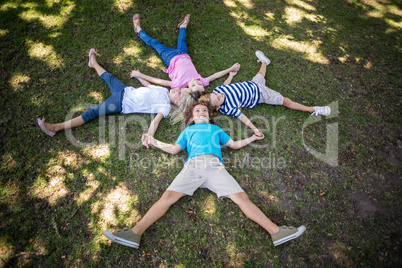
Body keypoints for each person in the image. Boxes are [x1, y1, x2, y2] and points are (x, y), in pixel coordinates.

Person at [103, 102, 306, 248]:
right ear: (191, 117)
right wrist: (153, 141)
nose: (200, 112)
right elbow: (174, 149)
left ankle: (276, 232)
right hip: (193, 166)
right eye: (197, 111)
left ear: (209, 116)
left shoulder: (216, 129)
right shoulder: (188, 131)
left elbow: (233, 145)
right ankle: (135, 233)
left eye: (204, 111)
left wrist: (252, 137)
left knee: (242, 198)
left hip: (216, 168)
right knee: (167, 198)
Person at [37, 49, 195, 138]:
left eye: (181, 93)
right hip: (124, 90)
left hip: (120, 103)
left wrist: (149, 135)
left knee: (92, 112)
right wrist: (138, 75)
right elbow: (148, 86)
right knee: (109, 77)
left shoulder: (165, 107)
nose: (179, 89)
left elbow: (156, 121)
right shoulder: (163, 91)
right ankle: (93, 63)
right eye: (182, 89)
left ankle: (56, 127)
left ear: (178, 102)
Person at [199, 51, 331, 136]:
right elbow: (242, 117)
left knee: (260, 74)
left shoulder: (218, 91)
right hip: (261, 95)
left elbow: (224, 86)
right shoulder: (228, 108)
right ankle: (313, 109)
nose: (220, 95)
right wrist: (254, 129)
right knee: (285, 101)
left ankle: (264, 61)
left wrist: (231, 76)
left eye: (216, 95)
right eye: (218, 99)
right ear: (217, 108)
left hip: (252, 84)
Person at [131, 13, 241, 94]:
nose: (196, 81)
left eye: (193, 85)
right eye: (199, 84)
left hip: (170, 58)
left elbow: (158, 81)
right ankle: (182, 26)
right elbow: (216, 75)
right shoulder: (201, 81)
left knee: (154, 43)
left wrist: (139, 75)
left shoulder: (178, 85)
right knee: (182, 40)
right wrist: (231, 68)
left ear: (187, 90)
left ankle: (138, 30)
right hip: (184, 54)